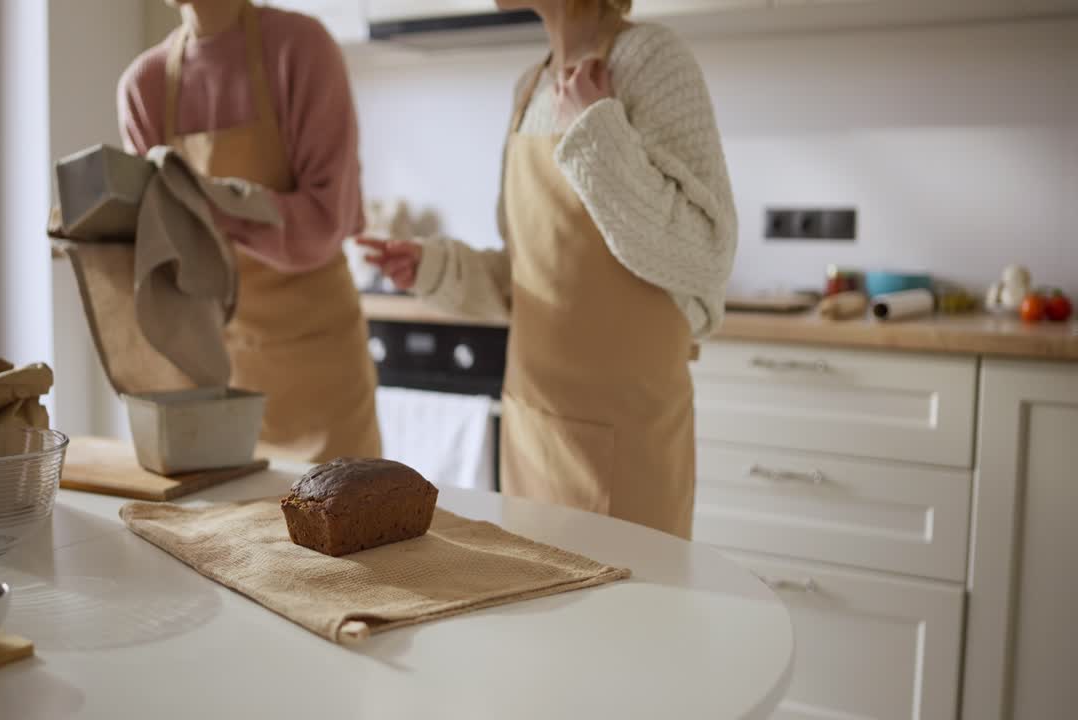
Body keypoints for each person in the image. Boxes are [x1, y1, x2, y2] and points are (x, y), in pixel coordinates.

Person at [360, 0, 736, 539]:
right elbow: (527, 275)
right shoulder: (529, 90)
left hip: (628, 442)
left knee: (629, 617)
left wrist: (594, 128)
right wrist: (434, 267)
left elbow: (704, 255)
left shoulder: (653, 59)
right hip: (532, 437)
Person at [119, 0, 381, 463]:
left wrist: (203, 204)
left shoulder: (301, 49)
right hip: (209, 371)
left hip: (319, 369)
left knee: (340, 521)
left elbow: (324, 221)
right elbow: (157, 245)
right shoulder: (145, 85)